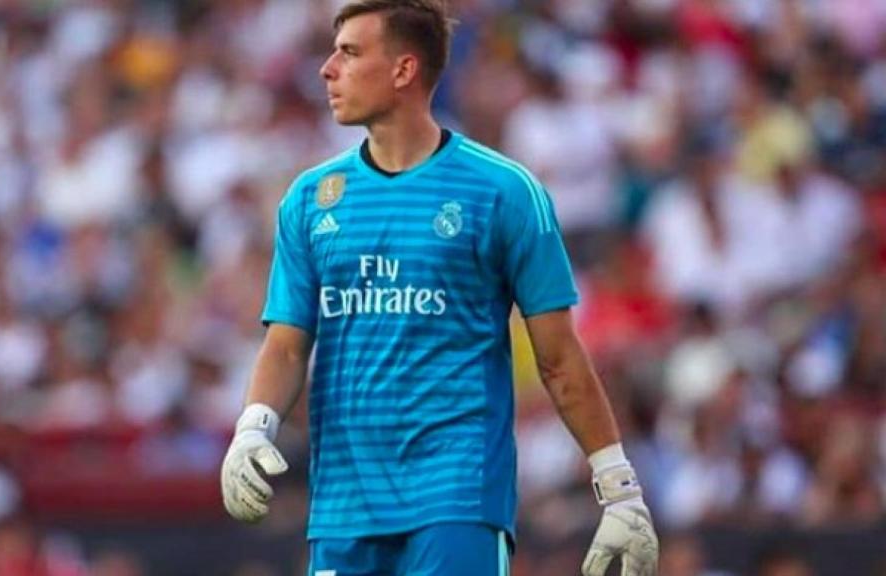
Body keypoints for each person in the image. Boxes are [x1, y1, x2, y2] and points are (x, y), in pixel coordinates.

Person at [220, 1, 660, 575]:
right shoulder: (309, 199)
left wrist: (618, 485)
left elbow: (558, 355)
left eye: (349, 52)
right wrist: (254, 426)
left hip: (456, 501)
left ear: (403, 69)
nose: (327, 68)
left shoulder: (503, 192)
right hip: (344, 505)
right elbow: (285, 345)